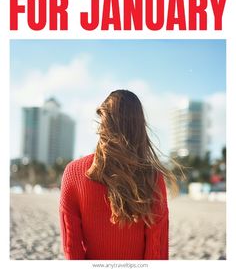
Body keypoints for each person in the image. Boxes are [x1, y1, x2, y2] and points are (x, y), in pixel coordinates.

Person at [59, 90, 177, 260]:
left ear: (103, 120)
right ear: (139, 127)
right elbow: (156, 249)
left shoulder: (73, 173)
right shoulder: (152, 177)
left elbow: (72, 247)